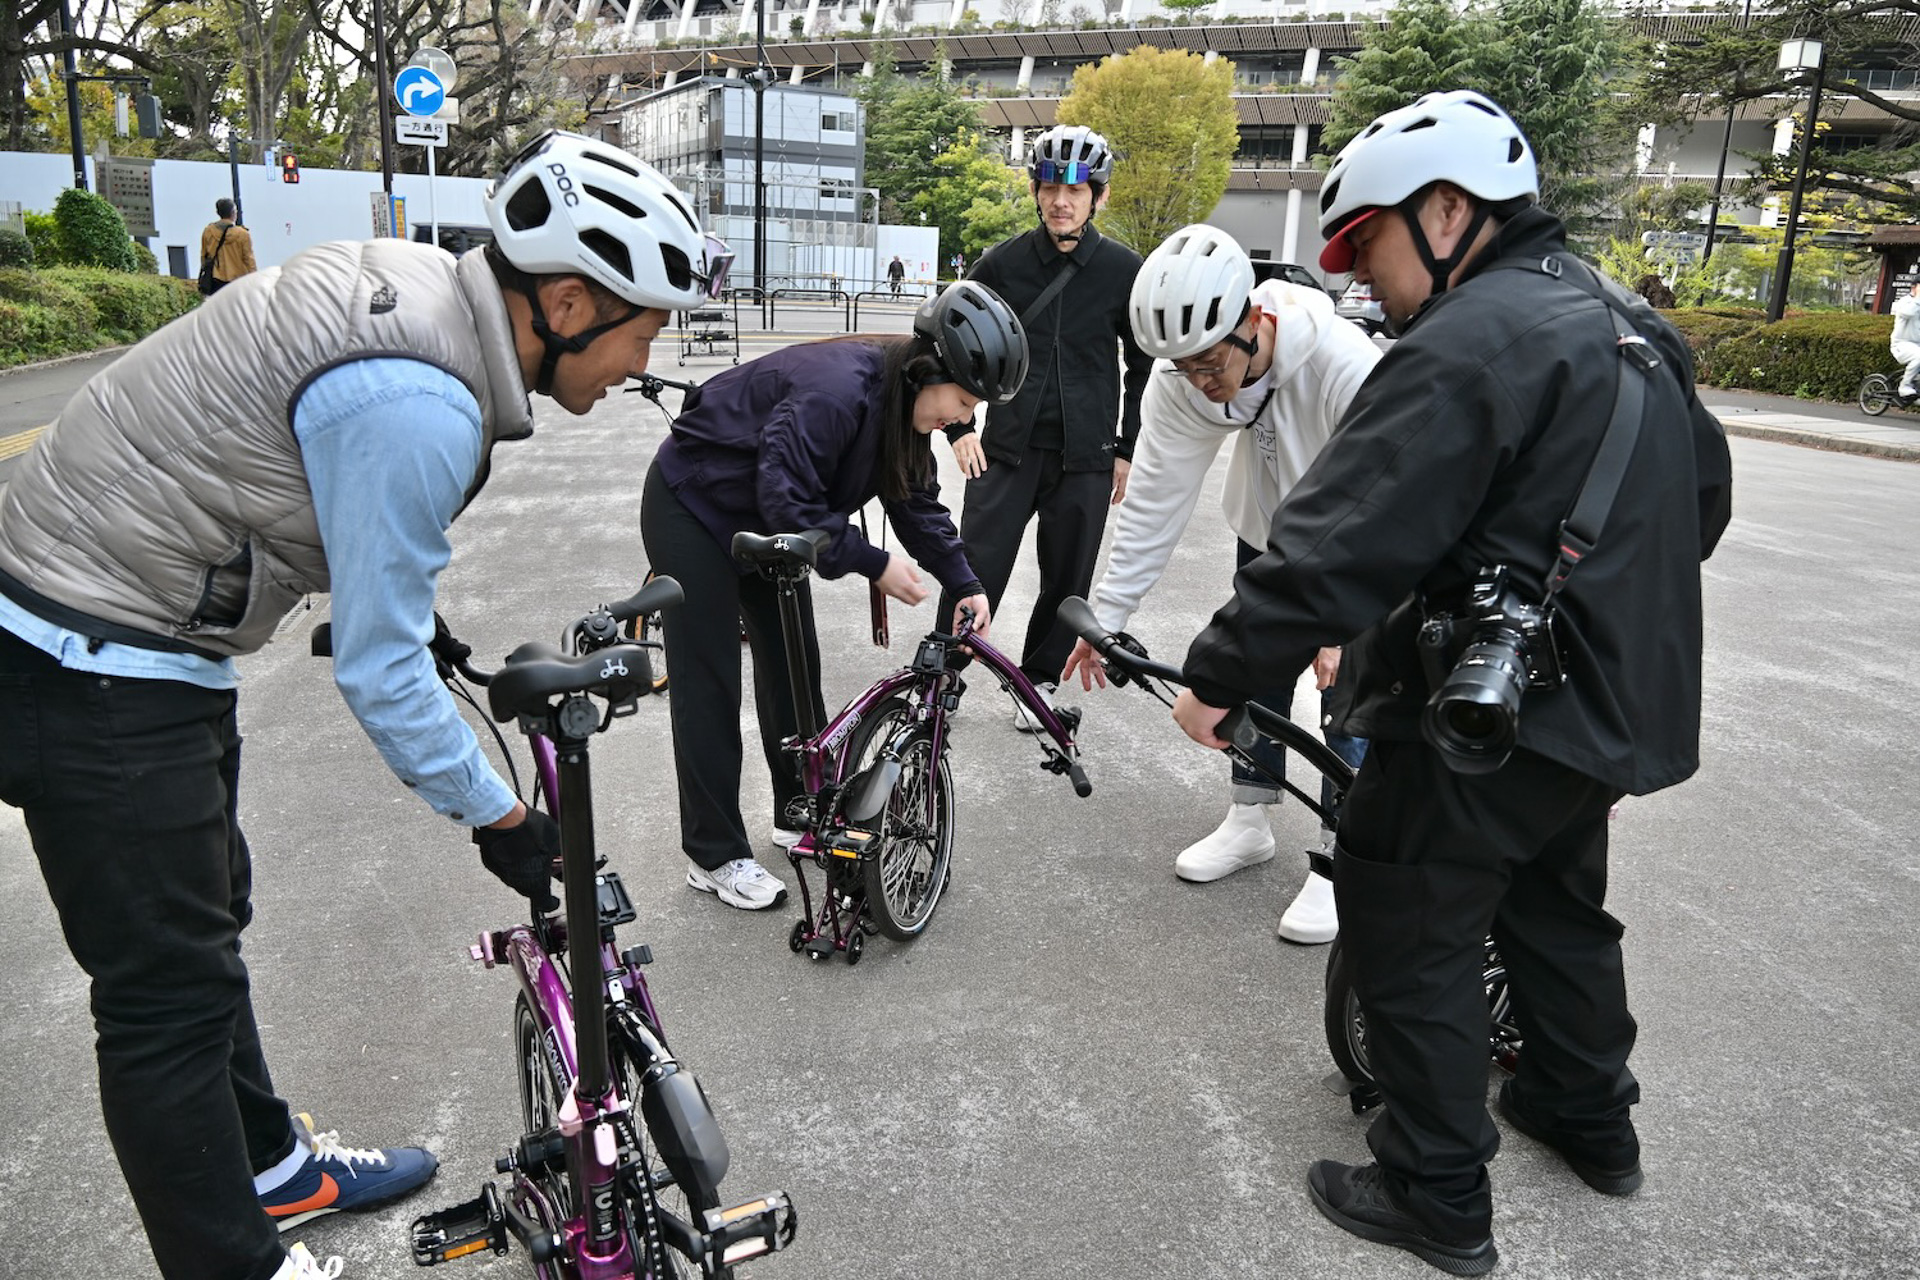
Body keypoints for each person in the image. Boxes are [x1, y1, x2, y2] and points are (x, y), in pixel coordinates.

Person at [0, 130, 729, 1280]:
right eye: (643, 333)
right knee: (165, 996)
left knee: (207, 915)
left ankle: (272, 1166)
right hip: (89, 643)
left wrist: (391, 592)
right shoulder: (422, 398)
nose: (641, 364)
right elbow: (378, 670)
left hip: (135, 622)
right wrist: (505, 822)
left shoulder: (433, 296)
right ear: (573, 301)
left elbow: (304, 462)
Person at [1169, 91, 1732, 1273]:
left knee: (1412, 922)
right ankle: (1590, 1118)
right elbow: (1705, 505)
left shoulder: (1471, 340)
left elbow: (1342, 529)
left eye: (1365, 239)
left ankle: (1434, 1189)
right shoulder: (1632, 326)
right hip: (1606, 708)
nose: (1360, 275)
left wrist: (1222, 672)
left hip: (1479, 717)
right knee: (1557, 906)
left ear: (1443, 210)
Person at [641, 280, 1026, 911]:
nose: (961, 418)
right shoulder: (837, 391)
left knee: (794, 666)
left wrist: (963, 580)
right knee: (708, 677)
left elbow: (914, 498)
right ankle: (713, 856)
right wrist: (871, 563)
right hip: (694, 507)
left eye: (972, 409)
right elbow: (786, 501)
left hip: (766, 523)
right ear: (928, 371)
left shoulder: (907, 403)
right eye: (961, 400)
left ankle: (798, 811)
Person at [1060, 223, 1379, 944]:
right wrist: (1108, 614)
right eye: (1181, 368)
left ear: (1255, 320)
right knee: (1253, 671)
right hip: (1266, 529)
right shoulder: (1183, 383)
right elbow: (1155, 499)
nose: (1202, 384)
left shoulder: (1343, 365)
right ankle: (1248, 819)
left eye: (1209, 363)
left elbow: (1381, 503)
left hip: (1355, 551)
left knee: (1349, 702)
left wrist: (1343, 623)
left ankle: (1341, 863)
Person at [942, 124, 1153, 729]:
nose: (1063, 200)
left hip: (1086, 456)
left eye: (1077, 190)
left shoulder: (1122, 271)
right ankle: (946, 675)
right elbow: (948, 339)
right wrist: (960, 429)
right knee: (976, 565)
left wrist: (1126, 447)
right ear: (1035, 191)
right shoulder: (1002, 263)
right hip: (1006, 448)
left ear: (1098, 196)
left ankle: (1035, 681)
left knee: (1067, 578)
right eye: (1051, 187)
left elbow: (1142, 366)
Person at [200, 197, 257, 293]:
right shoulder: (243, 234)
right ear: (233, 213)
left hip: (216, 279)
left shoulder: (208, 231)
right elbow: (249, 259)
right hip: (238, 280)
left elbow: (204, 255)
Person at [1891, 280, 1920, 402]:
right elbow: (1907, 313)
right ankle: (1904, 386)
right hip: (1902, 344)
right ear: (1915, 286)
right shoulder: (1905, 302)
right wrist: (1918, 297)